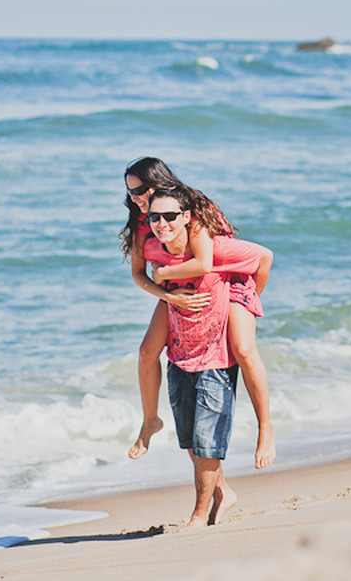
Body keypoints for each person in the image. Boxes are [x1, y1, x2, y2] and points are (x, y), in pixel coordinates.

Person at [118, 157, 276, 469]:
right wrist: (166, 293)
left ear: (160, 184)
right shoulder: (143, 220)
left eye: (140, 191)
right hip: (182, 287)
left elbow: (229, 261)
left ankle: (266, 428)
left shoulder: (191, 208)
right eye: (130, 194)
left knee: (244, 350)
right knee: (147, 350)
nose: (135, 200)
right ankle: (150, 421)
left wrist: (248, 300)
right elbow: (138, 274)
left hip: (229, 283)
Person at [141, 187, 268, 528]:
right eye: (154, 217)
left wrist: (245, 301)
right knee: (192, 442)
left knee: (208, 442)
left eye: (170, 216)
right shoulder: (155, 249)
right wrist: (164, 285)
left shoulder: (219, 252)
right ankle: (223, 493)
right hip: (181, 356)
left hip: (217, 358)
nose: (161, 223)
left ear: (187, 217)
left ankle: (198, 516)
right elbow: (142, 273)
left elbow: (263, 258)